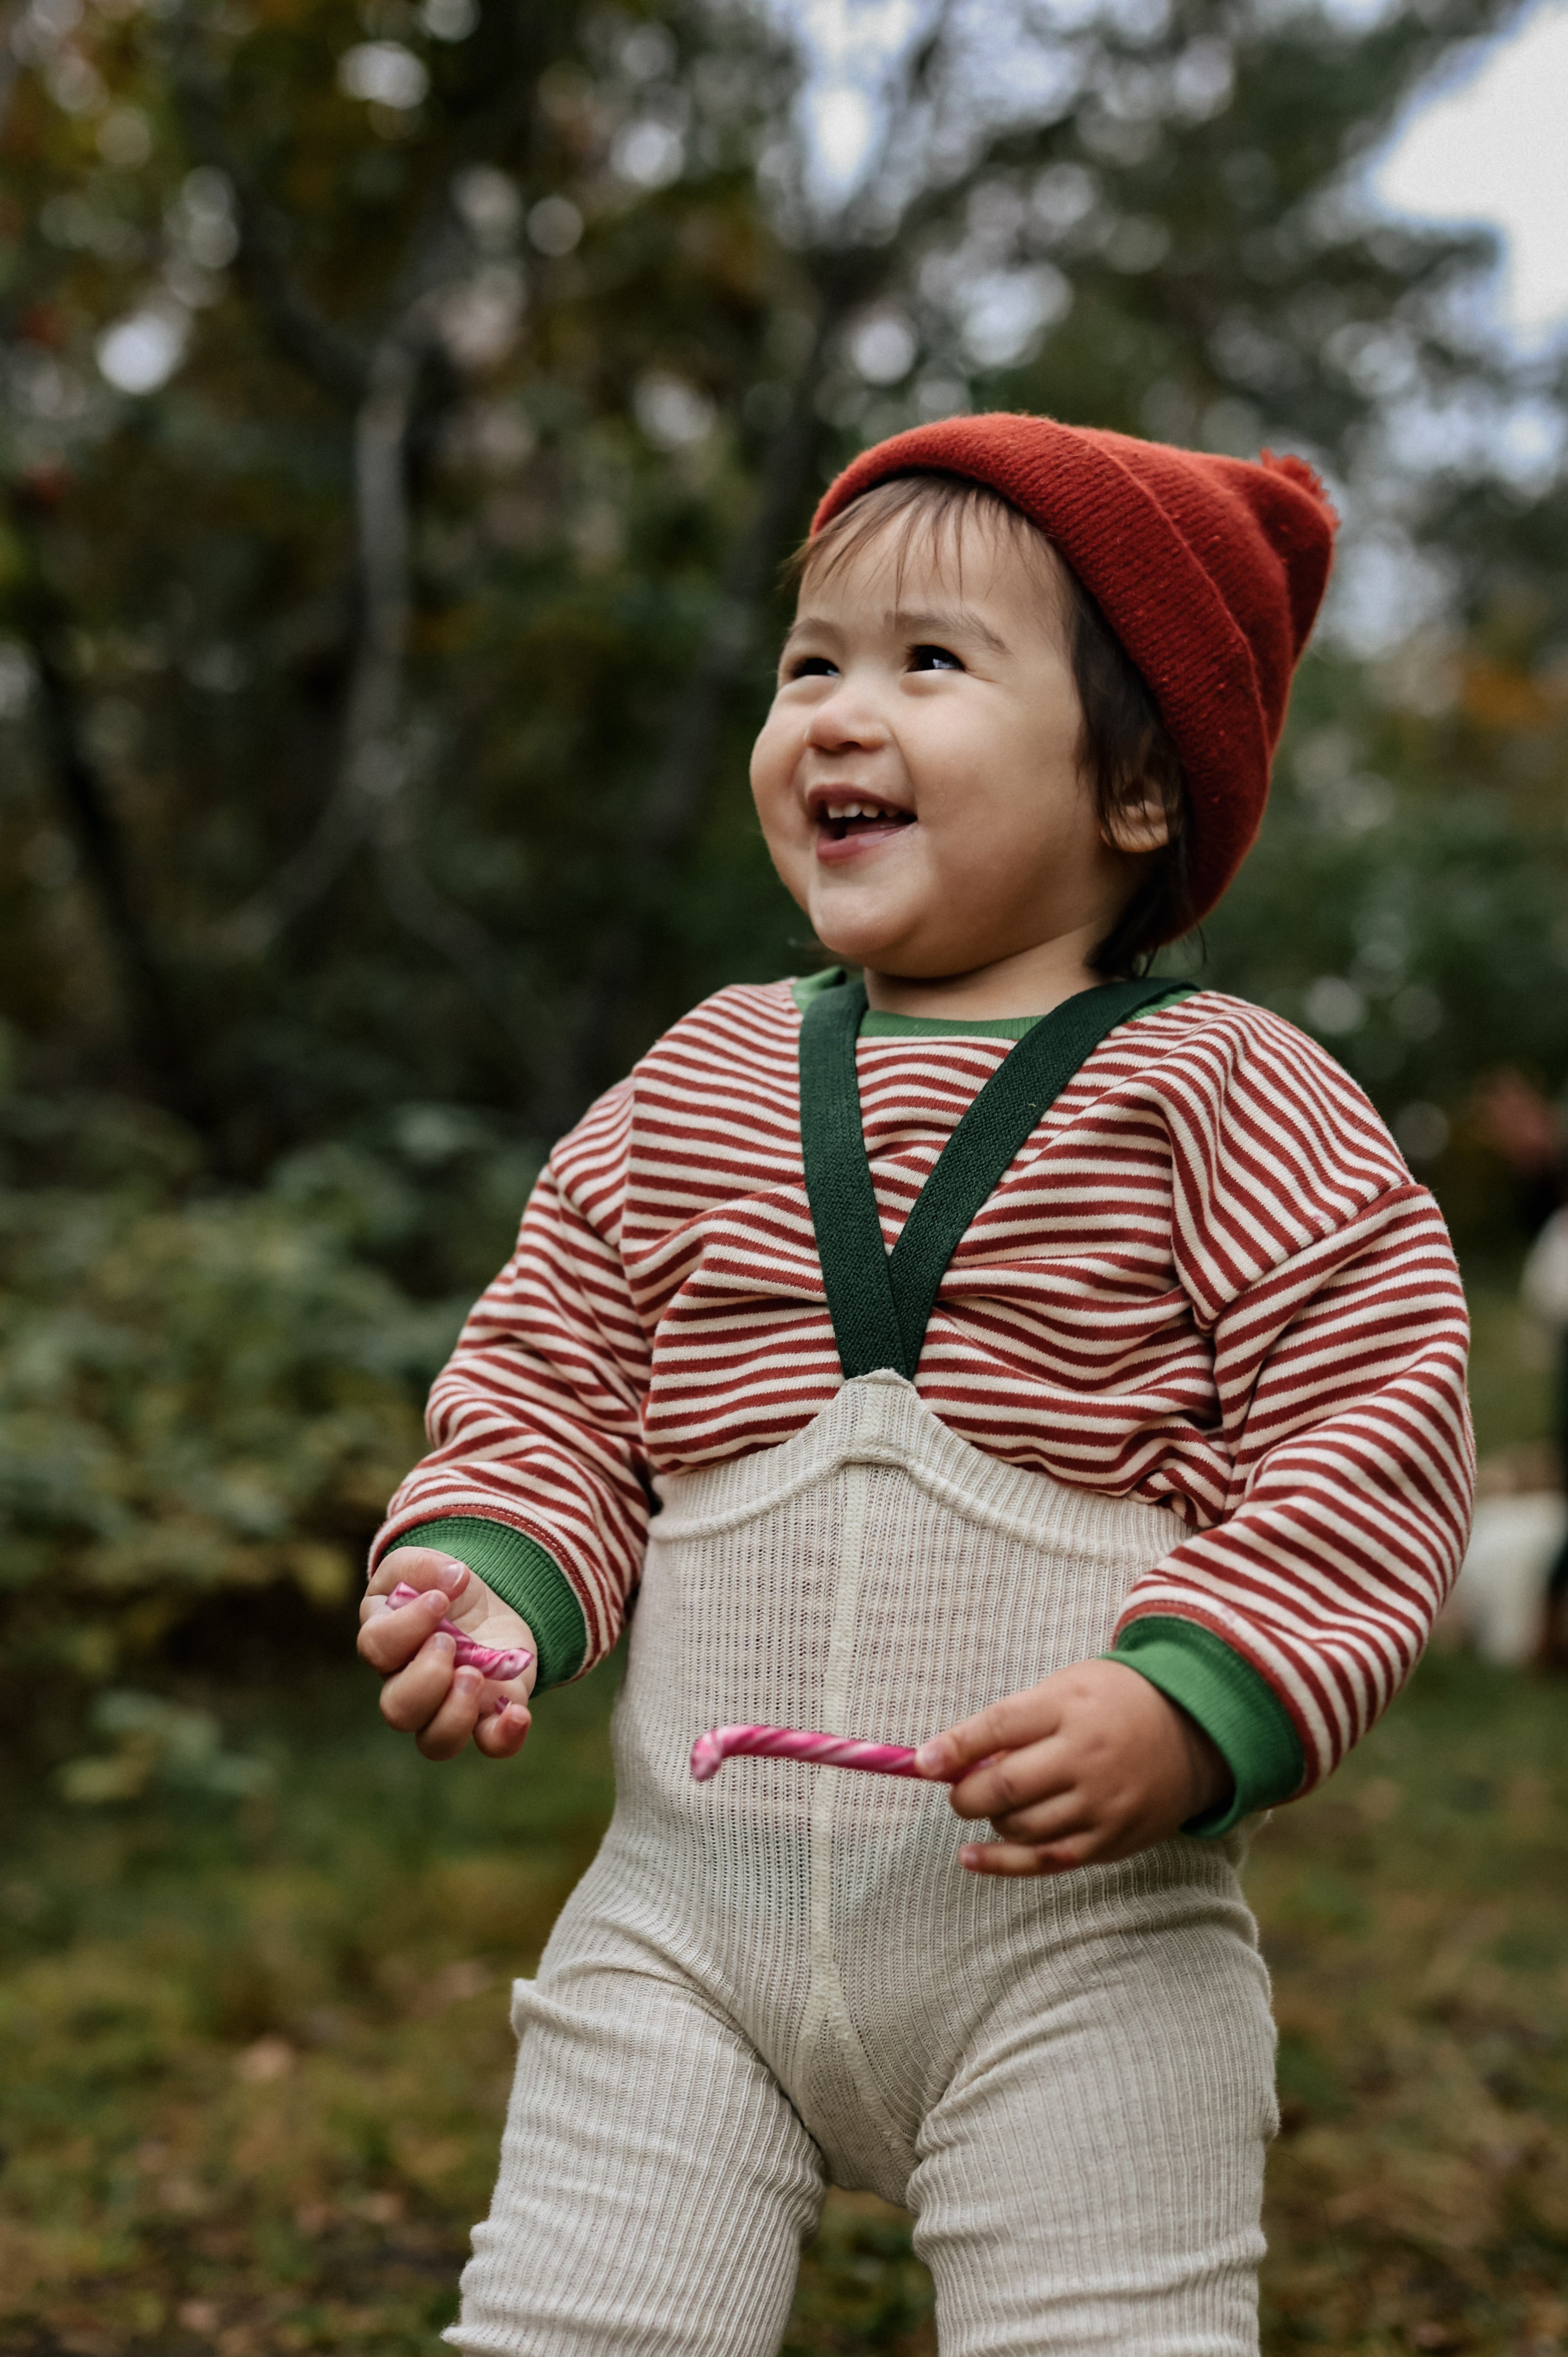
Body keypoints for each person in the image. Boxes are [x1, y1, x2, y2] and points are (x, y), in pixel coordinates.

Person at [357, 414, 1474, 2356]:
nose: (839, 715)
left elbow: (1372, 1422)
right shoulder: (699, 1079)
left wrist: (1192, 1701)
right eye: (814, 664)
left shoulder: (1226, 1093)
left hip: (1077, 1946)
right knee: (569, 2326)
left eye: (929, 664)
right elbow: (558, 1372)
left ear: (1138, 785)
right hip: (682, 1929)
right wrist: (495, 1571)